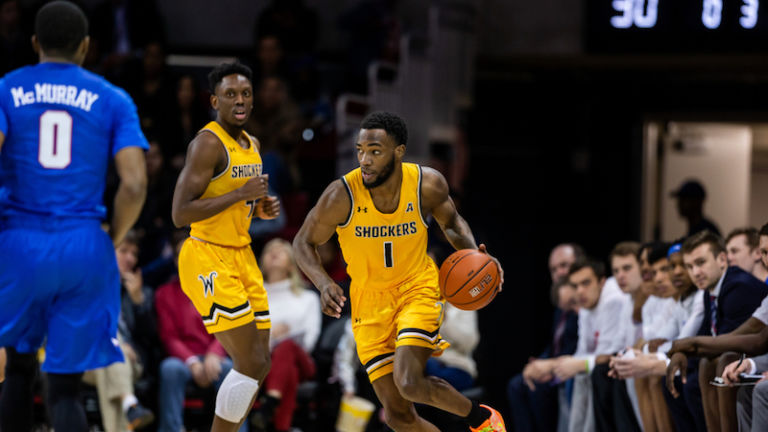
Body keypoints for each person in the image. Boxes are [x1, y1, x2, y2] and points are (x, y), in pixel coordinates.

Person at [292, 111, 506, 432]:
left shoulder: (426, 184)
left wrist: (474, 255)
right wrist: (322, 283)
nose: (365, 159)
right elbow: (302, 242)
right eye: (360, 150)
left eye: (375, 151)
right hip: (368, 303)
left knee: (409, 382)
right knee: (398, 415)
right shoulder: (342, 194)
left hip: (416, 289)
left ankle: (483, 420)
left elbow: (451, 223)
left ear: (399, 152)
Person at [0, 2, 148, 431]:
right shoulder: (113, 98)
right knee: (64, 388)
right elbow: (135, 184)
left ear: (34, 44)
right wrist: (113, 235)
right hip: (85, 245)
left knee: (19, 369)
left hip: (20, 243)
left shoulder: (7, 88)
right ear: (86, 46)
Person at [171, 60, 281, 431]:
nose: (240, 100)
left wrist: (259, 208)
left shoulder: (253, 144)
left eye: (246, 93)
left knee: (260, 363)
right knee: (249, 362)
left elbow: (240, 204)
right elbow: (180, 213)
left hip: (241, 253)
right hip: (206, 254)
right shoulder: (206, 144)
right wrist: (240, 194)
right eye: (231, 94)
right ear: (214, 100)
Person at [664, 230, 768, 432]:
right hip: (759, 354)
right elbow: (709, 336)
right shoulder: (709, 291)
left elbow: (753, 337)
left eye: (700, 263)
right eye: (690, 266)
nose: (695, 272)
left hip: (760, 353)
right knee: (700, 368)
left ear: (722, 259)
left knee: (724, 360)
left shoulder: (738, 286)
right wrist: (684, 349)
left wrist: (687, 346)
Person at [155, 233, 247, 432]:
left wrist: (214, 354)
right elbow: (169, 336)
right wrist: (193, 362)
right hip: (183, 359)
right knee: (169, 368)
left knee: (233, 370)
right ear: (175, 260)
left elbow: (228, 328)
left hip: (215, 356)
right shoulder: (164, 293)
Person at [507, 243, 582, 432]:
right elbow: (555, 344)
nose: (559, 272)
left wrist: (549, 367)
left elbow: (580, 347)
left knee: (537, 389)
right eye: (554, 269)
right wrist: (539, 363)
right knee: (517, 385)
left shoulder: (583, 301)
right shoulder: (560, 306)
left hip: (574, 367)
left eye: (564, 265)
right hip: (556, 365)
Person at [250, 238, 321, 432]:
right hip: (262, 362)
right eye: (269, 250)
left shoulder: (308, 298)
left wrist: (276, 339)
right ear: (262, 261)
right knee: (289, 370)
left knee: (288, 347)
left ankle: (271, 403)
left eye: (280, 251)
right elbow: (246, 341)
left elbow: (309, 342)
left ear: (291, 264)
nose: (273, 253)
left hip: (301, 359)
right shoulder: (251, 297)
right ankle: (276, 414)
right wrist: (271, 335)